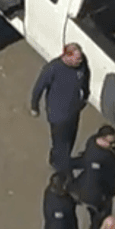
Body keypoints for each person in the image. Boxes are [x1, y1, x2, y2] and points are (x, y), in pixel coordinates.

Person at [30, 43, 91, 174]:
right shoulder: (53, 68)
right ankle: (61, 171)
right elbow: (39, 87)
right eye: (77, 59)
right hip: (58, 116)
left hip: (74, 112)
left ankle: (57, 158)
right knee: (61, 144)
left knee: (70, 141)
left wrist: (85, 95)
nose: (80, 61)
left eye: (80, 58)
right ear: (67, 56)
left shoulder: (82, 64)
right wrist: (34, 107)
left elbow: (86, 76)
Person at [72, 125, 115, 229]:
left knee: (94, 211)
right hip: (97, 196)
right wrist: (112, 192)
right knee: (101, 216)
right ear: (103, 139)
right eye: (111, 142)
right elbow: (109, 179)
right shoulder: (105, 157)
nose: (113, 145)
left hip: (84, 189)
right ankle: (98, 228)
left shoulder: (92, 142)